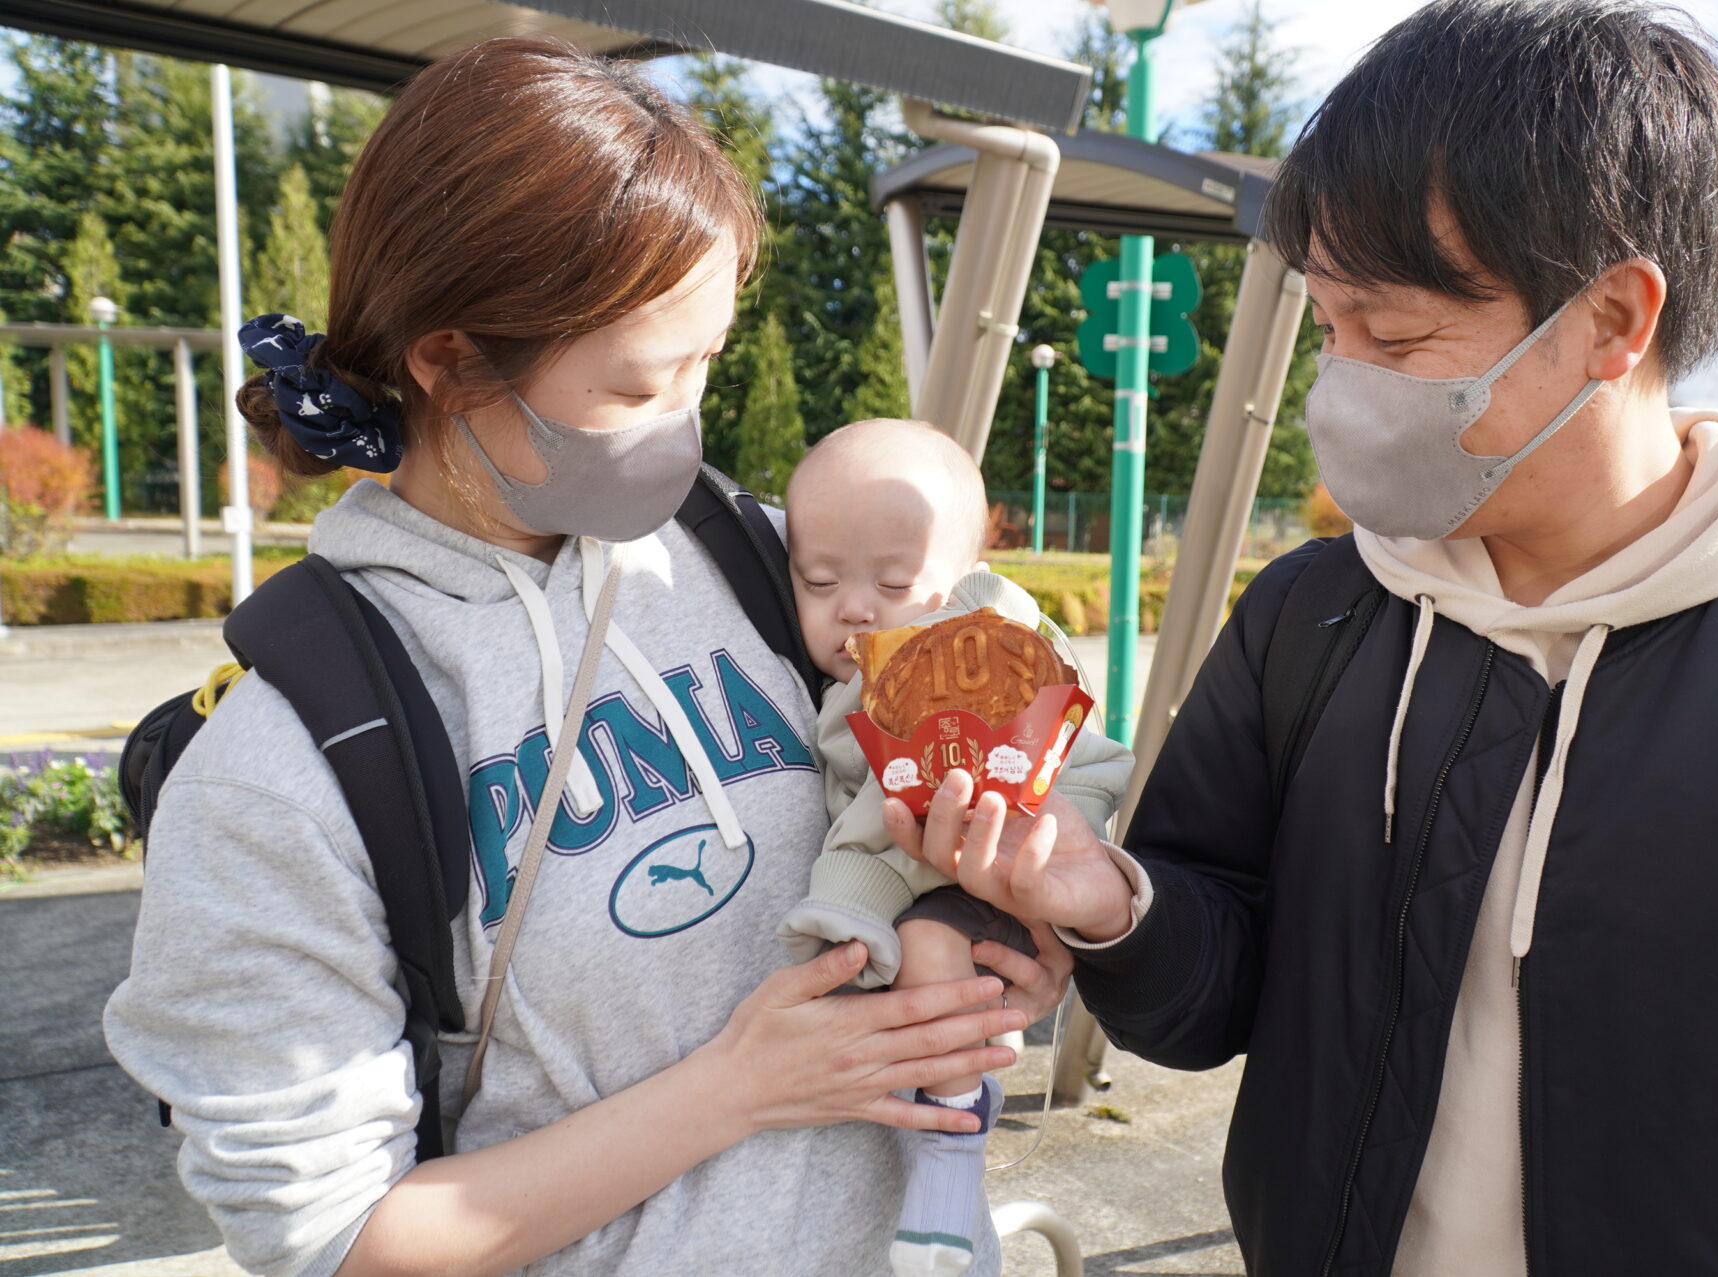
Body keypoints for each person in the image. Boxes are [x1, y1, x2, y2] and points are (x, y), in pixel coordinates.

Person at [886, 1, 1718, 1273]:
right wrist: (1107, 903)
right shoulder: (1315, 611)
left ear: (1612, 319)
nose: (1348, 383)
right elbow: (1212, 991)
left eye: (1400, 335)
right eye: (1330, 328)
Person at [102, 40, 1068, 1276]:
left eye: (703, 364)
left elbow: (984, 732)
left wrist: (983, 951)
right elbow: (335, 1237)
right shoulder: (287, 761)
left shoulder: (772, 565)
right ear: (448, 359)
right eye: (637, 384)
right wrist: (734, 1088)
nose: (687, 421)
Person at [774, 418, 1132, 1276]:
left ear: (961, 582)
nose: (853, 606)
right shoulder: (850, 674)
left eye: (894, 583)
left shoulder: (979, 651)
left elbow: (892, 806)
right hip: (931, 874)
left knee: (932, 945)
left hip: (997, 860)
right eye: (818, 580)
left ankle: (950, 1155)